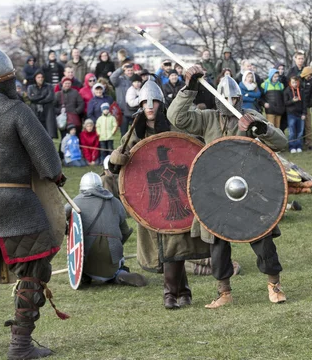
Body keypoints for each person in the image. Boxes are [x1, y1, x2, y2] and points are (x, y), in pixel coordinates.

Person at [0, 47, 65, 359]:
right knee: (33, 270)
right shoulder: (18, 111)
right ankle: (20, 346)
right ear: (8, 81)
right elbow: (49, 165)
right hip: (17, 205)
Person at [167, 66, 288, 309]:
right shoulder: (207, 118)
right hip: (216, 192)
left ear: (239, 98)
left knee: (262, 238)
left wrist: (261, 130)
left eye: (234, 98)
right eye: (226, 98)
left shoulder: (250, 115)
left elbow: (281, 142)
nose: (231, 102)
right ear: (218, 98)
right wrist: (189, 88)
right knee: (218, 243)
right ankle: (224, 292)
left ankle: (274, 285)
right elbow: (176, 118)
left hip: (248, 188)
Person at [110, 80, 210, 309]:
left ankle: (172, 294)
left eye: (153, 101)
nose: (149, 106)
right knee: (166, 248)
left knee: (176, 244)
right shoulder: (136, 132)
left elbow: (190, 152)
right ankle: (180, 292)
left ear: (160, 103)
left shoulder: (174, 128)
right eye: (145, 101)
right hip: (152, 201)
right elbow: (122, 163)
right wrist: (119, 158)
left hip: (178, 195)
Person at [67, 173, 146, 287]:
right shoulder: (115, 202)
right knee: (114, 265)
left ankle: (86, 274)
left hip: (87, 257)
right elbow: (124, 231)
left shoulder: (75, 202)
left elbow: (60, 219)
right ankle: (117, 274)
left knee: (87, 258)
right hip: (112, 255)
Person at [27, 70, 57, 139]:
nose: (40, 79)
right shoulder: (30, 87)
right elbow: (31, 97)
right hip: (35, 111)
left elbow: (50, 97)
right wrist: (43, 96)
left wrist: (37, 99)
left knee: (48, 134)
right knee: (36, 133)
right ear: (35, 78)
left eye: (42, 77)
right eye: (38, 77)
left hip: (47, 111)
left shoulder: (49, 86)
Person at [110, 62, 135, 135]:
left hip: (133, 110)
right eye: (128, 70)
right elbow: (112, 77)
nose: (130, 72)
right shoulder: (119, 80)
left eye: (131, 70)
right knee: (123, 132)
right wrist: (121, 69)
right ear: (124, 71)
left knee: (136, 132)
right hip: (122, 111)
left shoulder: (135, 80)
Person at [284, 75, 306, 153]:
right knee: (292, 131)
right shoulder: (287, 91)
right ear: (290, 83)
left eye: (296, 82)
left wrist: (304, 113)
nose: (295, 84)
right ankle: (292, 146)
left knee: (300, 131)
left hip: (300, 114)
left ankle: (299, 146)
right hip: (291, 114)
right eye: (293, 82)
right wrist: (292, 101)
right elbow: (285, 103)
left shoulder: (301, 90)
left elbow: (304, 103)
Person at [300, 66, 312, 150]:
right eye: (308, 75)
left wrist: (310, 103)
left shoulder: (311, 81)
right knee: (300, 126)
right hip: (298, 106)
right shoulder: (299, 81)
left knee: (308, 125)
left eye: (311, 75)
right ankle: (300, 143)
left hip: (307, 106)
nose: (309, 77)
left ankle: (309, 143)